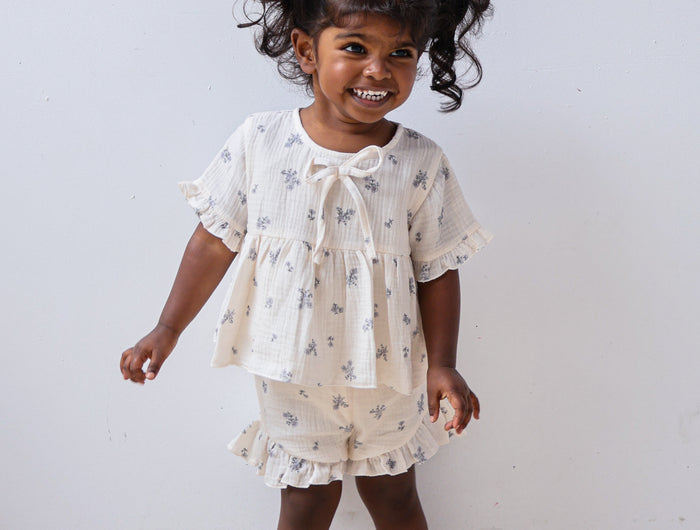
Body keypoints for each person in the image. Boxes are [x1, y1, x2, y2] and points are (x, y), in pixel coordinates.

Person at [120, 0, 493, 528]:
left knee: (394, 495)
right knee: (305, 500)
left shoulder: (420, 161)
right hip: (293, 369)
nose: (378, 70)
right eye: (356, 48)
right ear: (306, 50)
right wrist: (167, 327)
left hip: (387, 373)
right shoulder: (261, 141)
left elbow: (437, 270)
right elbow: (213, 242)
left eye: (401, 53)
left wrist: (442, 364)